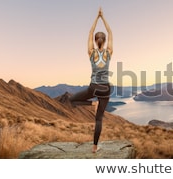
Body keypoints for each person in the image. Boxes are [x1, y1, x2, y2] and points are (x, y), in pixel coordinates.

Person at [69, 7, 113, 153]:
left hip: (93, 87)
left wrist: (96, 18)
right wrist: (103, 17)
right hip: (106, 88)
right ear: (105, 40)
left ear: (95, 40)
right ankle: (95, 147)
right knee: (98, 119)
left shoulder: (91, 52)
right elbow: (111, 32)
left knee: (72, 100)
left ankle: (92, 102)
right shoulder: (109, 52)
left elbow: (89, 32)